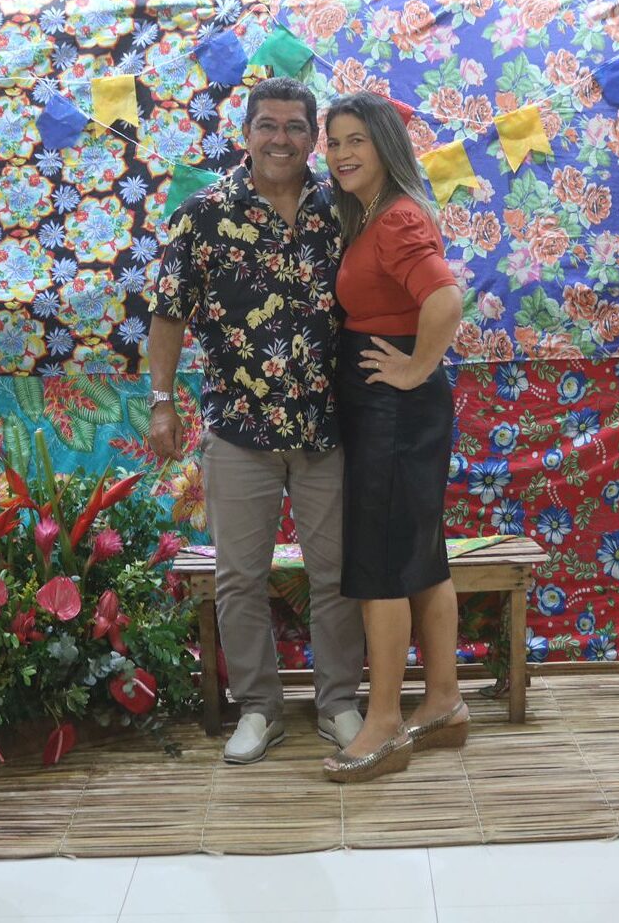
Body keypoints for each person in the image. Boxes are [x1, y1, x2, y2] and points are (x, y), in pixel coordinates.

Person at [147, 76, 365, 765]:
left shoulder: (344, 210)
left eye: (296, 127)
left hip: (328, 427)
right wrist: (161, 400)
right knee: (240, 577)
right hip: (238, 429)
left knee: (336, 574)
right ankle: (259, 709)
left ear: (313, 138)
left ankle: (338, 703)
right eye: (267, 125)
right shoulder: (203, 214)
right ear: (245, 133)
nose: (281, 138)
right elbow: (168, 312)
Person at [322, 91, 466, 783]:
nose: (341, 153)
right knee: (420, 555)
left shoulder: (399, 217)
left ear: (385, 144)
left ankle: (384, 722)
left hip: (393, 408)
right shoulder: (373, 215)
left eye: (356, 140)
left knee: (380, 561)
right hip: (390, 407)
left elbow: (445, 297)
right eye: (334, 142)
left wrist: (413, 368)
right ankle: (443, 703)